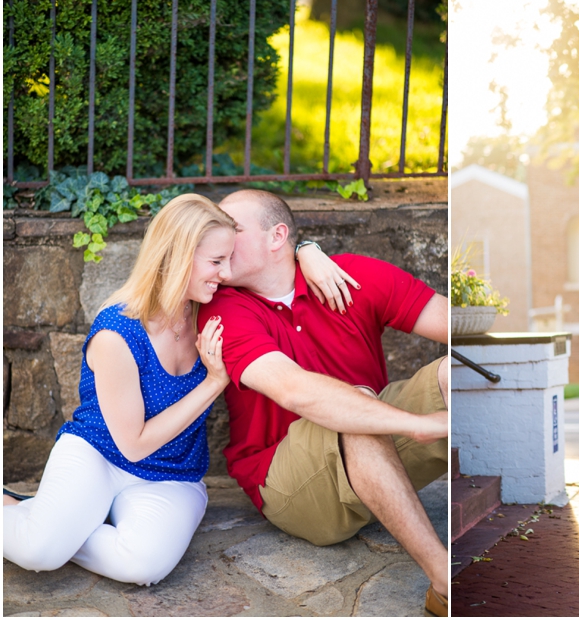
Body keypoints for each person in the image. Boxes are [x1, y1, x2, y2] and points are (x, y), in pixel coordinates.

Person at [2, 193, 351, 586]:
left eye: (228, 259)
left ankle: (57, 520)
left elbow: (270, 265)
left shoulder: (213, 306)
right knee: (38, 552)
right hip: (99, 455)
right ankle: (29, 518)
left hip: (174, 473)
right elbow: (133, 444)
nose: (226, 272)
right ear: (177, 256)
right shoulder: (118, 332)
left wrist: (309, 251)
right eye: (217, 261)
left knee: (143, 567)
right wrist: (214, 383)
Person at [199, 189, 449, 616]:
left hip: (376, 465)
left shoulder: (348, 275)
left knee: (452, 371)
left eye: (233, 229)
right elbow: (294, 390)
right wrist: (414, 424)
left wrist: (308, 250)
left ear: (278, 236)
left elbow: (456, 327)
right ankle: (446, 585)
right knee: (355, 407)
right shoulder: (220, 309)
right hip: (289, 483)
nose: (219, 238)